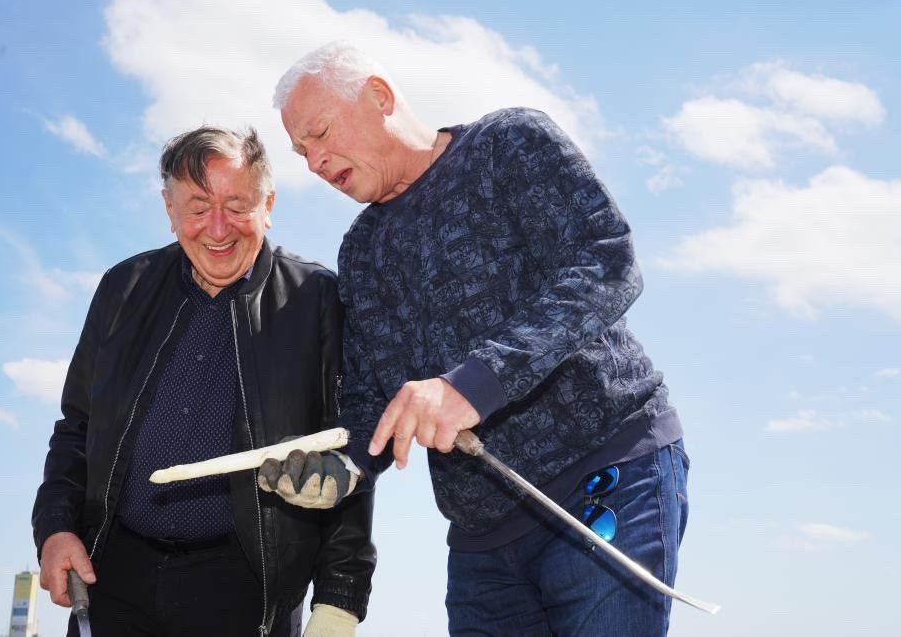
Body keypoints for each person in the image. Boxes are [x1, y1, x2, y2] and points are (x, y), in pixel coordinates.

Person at [259, 41, 690, 636]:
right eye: (302, 150)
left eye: (320, 132)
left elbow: (603, 260)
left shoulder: (509, 143)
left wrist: (474, 384)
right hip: (481, 541)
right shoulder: (360, 251)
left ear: (379, 96)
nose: (312, 161)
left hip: (605, 477)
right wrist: (345, 464)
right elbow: (372, 396)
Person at [32, 126, 376, 637]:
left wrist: (339, 599)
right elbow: (76, 428)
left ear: (269, 204)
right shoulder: (121, 289)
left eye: (237, 205)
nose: (217, 228)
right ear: (169, 211)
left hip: (246, 588)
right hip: (114, 576)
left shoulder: (320, 300)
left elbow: (349, 452)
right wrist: (55, 529)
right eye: (196, 207)